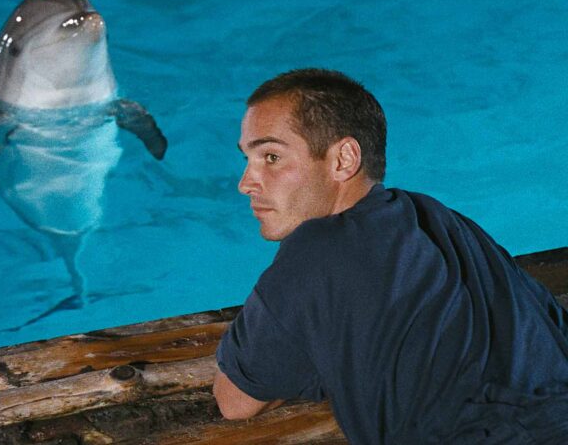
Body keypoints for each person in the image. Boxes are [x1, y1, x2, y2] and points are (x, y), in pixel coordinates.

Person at [213, 68, 568, 444]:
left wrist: (317, 348)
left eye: (271, 157)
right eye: (248, 159)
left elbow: (235, 401)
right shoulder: (441, 218)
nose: (245, 183)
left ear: (343, 159)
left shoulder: (315, 250)